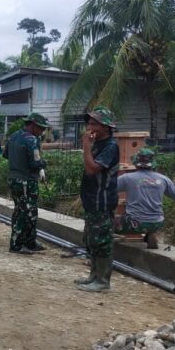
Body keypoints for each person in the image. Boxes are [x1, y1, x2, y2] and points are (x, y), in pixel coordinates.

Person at [76, 106, 120, 292]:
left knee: (102, 241)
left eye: (94, 123)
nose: (89, 127)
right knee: (92, 239)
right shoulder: (98, 144)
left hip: (102, 200)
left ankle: (102, 281)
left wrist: (86, 145)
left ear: (106, 127)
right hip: (92, 200)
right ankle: (94, 276)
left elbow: (92, 169)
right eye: (89, 123)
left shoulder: (110, 146)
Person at [115, 148, 175, 249]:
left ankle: (105, 249)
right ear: (153, 164)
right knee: (150, 222)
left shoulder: (127, 178)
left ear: (136, 162)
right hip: (157, 223)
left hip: (134, 223)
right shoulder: (163, 179)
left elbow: (108, 189)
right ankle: (150, 234)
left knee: (107, 224)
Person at [4, 113, 49, 254]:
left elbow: (5, 155)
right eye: (41, 128)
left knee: (22, 210)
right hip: (26, 180)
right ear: (33, 125)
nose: (42, 131)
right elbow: (35, 163)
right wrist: (43, 164)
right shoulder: (31, 139)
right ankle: (17, 244)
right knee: (26, 212)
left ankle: (30, 242)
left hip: (13, 178)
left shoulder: (13, 136)